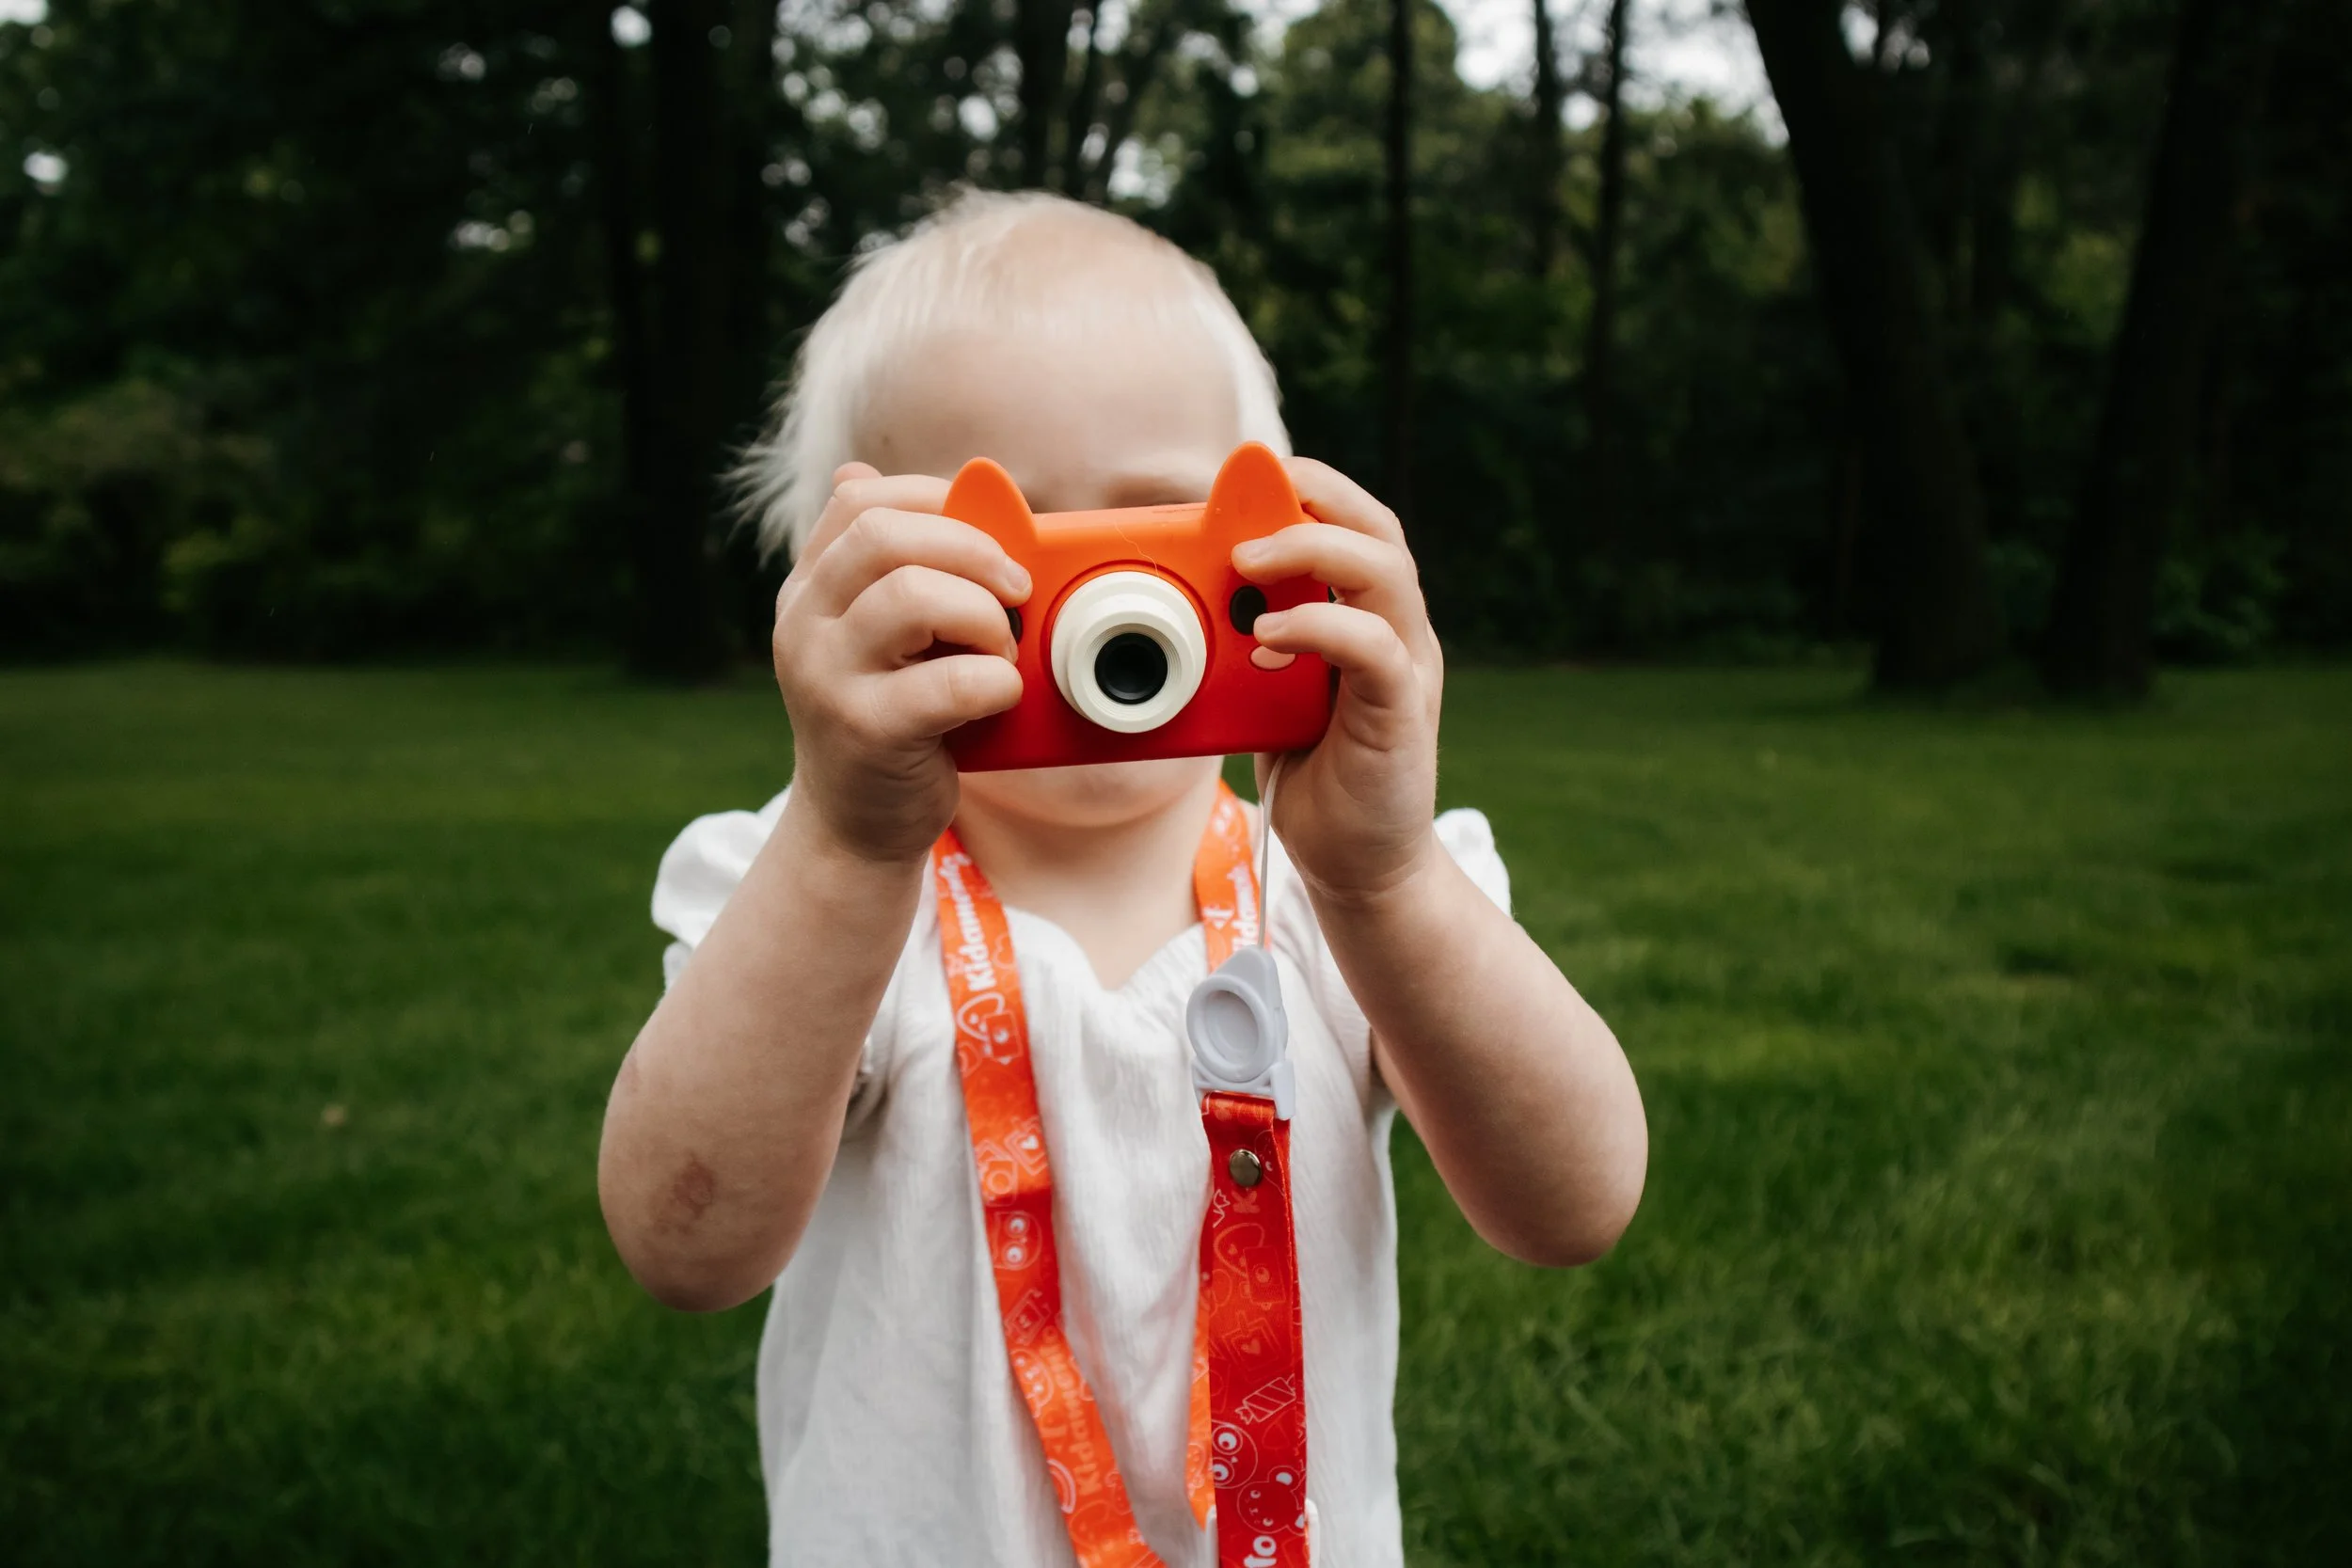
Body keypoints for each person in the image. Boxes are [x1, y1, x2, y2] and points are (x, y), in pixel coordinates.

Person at [596, 190, 1646, 1567]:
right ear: (854, 594)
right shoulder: (820, 896)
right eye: (1012, 552)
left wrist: (1386, 879)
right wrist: (847, 847)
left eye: (1155, 531)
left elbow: (1575, 1207)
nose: (1099, 612)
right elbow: (686, 1248)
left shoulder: (1338, 891)